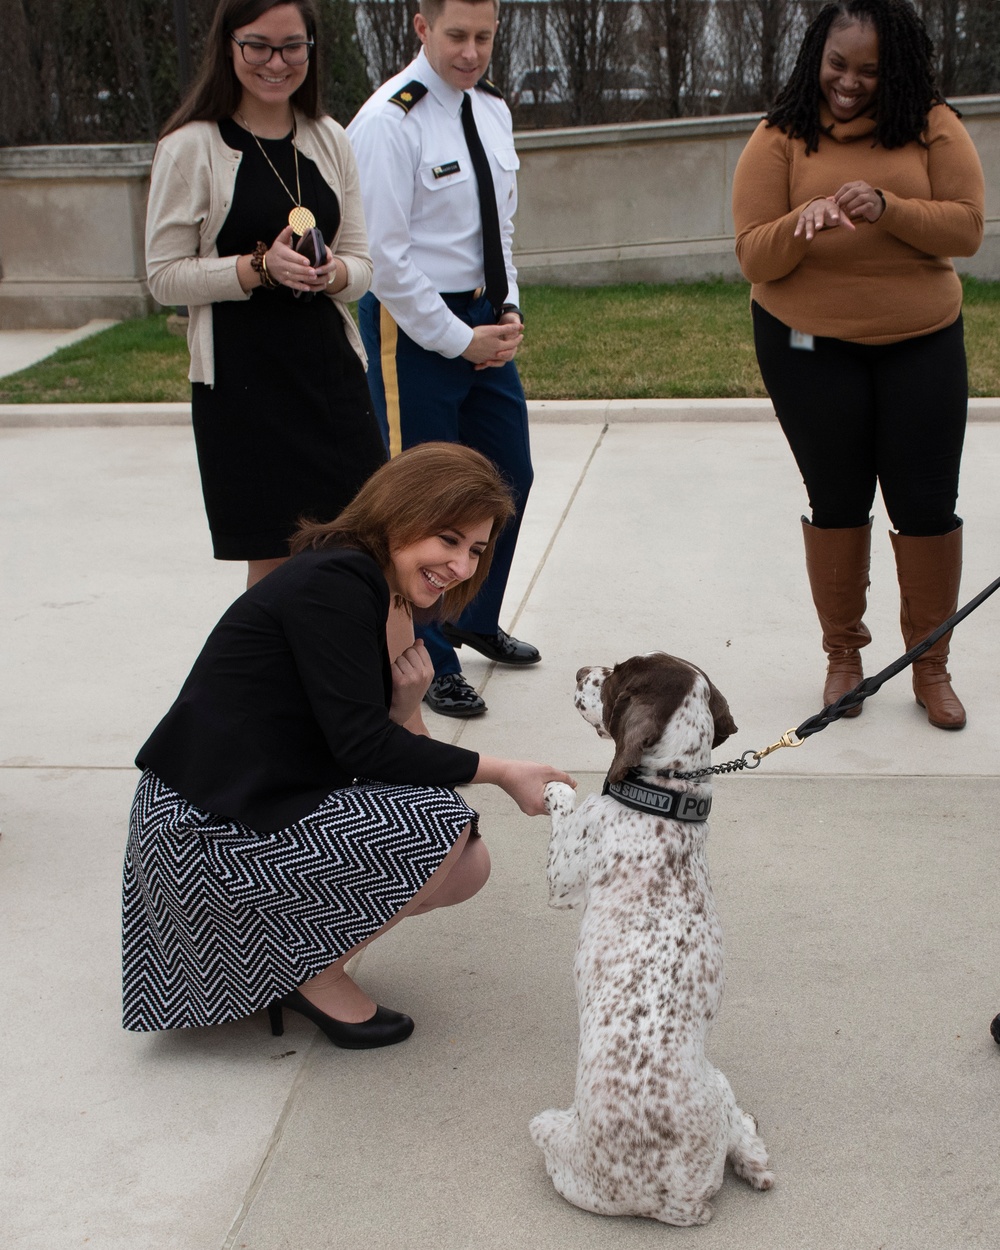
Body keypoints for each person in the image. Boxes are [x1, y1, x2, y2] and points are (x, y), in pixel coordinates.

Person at [122, 443, 574, 1049]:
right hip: (198, 830)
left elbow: (394, 760)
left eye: (475, 549)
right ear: (400, 512)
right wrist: (502, 771)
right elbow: (367, 751)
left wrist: (407, 708)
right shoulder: (335, 583)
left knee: (463, 855)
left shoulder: (368, 585)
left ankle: (287, 966)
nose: (462, 566)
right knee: (440, 832)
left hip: (248, 806)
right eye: (448, 539)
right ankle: (306, 974)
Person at [731, 0, 984, 731]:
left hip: (923, 340)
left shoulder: (931, 123)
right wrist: (800, 227)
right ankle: (844, 656)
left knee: (927, 506)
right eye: (838, 64)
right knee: (836, 500)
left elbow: (967, 226)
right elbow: (753, 253)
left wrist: (888, 206)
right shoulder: (780, 136)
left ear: (894, 68)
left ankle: (930, 666)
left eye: (869, 70)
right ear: (817, 55)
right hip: (807, 346)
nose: (849, 82)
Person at [145, 0, 387, 590]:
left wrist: (329, 275)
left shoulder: (330, 138)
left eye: (292, 46)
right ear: (228, 46)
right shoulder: (190, 146)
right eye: (259, 45)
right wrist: (257, 267)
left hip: (331, 381)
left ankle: (389, 684)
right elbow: (163, 276)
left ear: (311, 48)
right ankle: (270, 685)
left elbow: (362, 264)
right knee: (277, 565)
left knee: (378, 547)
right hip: (245, 389)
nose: (276, 62)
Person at [346, 0, 539, 720]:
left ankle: (470, 617)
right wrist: (459, 338)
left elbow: (502, 227)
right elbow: (385, 259)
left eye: (484, 37)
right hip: (417, 327)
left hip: (487, 319)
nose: (471, 52)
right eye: (456, 36)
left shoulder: (491, 110)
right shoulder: (386, 123)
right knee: (422, 505)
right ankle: (429, 658)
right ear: (421, 28)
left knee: (507, 477)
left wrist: (509, 307)